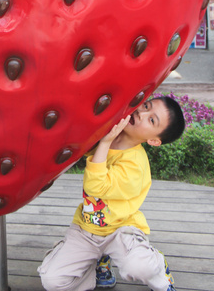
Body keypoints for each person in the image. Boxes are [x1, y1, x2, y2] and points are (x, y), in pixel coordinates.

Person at [38, 96, 185, 291]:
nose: (142, 113)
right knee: (52, 280)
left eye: (151, 120)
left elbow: (95, 187)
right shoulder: (111, 131)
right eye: (146, 105)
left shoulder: (135, 165)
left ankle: (158, 268)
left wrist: (105, 142)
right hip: (87, 229)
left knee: (140, 266)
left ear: (153, 140)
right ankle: (96, 266)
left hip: (120, 230)